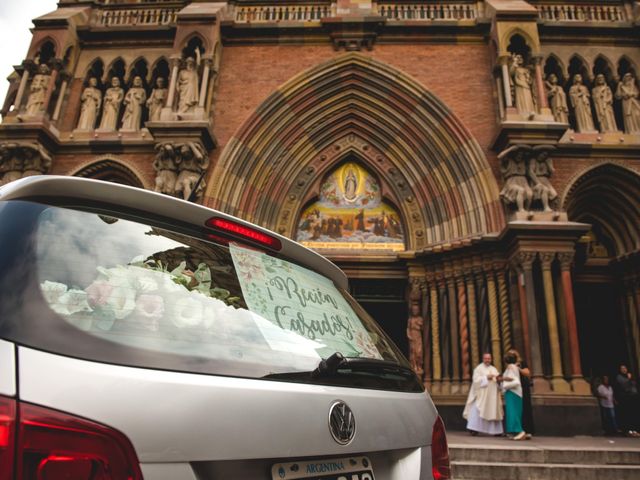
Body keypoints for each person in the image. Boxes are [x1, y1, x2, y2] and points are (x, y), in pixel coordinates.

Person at [463, 353, 504, 436]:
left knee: (493, 410)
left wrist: (499, 380)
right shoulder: (478, 369)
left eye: (489, 358)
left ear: (491, 359)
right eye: (486, 358)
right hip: (482, 395)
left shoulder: (494, 369)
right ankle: (474, 429)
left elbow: (498, 381)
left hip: (492, 396)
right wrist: (486, 377)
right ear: (483, 359)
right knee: (477, 410)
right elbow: (475, 381)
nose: (487, 360)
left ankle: (496, 431)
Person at [508, 349, 534, 436]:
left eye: (513, 354)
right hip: (514, 389)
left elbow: (527, 373)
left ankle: (527, 430)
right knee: (515, 410)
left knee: (525, 408)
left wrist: (518, 368)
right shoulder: (509, 365)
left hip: (523, 387)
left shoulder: (521, 363)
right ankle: (516, 430)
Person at [502, 353, 526, 440]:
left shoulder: (511, 367)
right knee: (512, 412)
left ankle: (520, 431)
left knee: (513, 412)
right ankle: (513, 431)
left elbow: (514, 380)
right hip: (512, 392)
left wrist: (504, 383)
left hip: (513, 392)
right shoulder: (512, 367)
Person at [614, 364, 640, 437]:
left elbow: (634, 386)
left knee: (634, 414)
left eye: (625, 368)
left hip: (633, 397)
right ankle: (628, 430)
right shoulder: (619, 377)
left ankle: (635, 430)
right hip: (625, 398)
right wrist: (629, 379)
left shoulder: (630, 376)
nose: (624, 369)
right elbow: (624, 386)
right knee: (628, 415)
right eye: (622, 368)